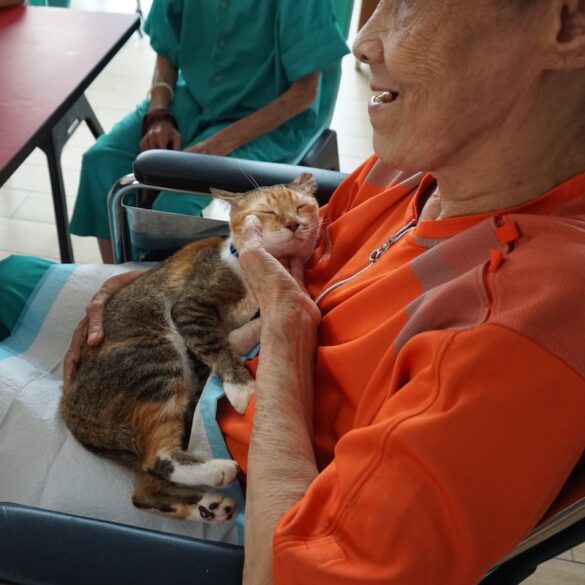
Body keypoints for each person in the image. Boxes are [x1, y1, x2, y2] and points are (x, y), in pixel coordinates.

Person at [3, 0, 585, 582]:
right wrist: (171, 281)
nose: (361, 42)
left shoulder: (523, 324)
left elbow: (289, 572)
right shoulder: (433, 156)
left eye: (410, 4)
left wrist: (285, 331)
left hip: (235, 463)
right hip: (224, 334)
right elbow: (311, 245)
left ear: (568, 23)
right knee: (7, 280)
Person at [68, 0, 349, 263]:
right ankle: (116, 272)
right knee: (102, 159)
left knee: (175, 200)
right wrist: (158, 115)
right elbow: (167, 51)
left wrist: (214, 146)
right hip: (196, 95)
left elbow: (304, 93)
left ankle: (161, 289)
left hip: (273, 115)